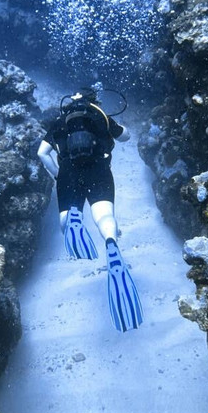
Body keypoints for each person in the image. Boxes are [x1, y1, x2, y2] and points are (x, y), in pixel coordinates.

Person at [37, 88, 142, 331]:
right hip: (99, 170)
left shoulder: (60, 121)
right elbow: (126, 137)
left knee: (67, 216)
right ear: (93, 100)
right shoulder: (100, 116)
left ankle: (73, 216)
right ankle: (110, 241)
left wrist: (57, 174)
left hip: (68, 172)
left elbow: (42, 153)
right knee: (104, 215)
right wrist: (113, 126)